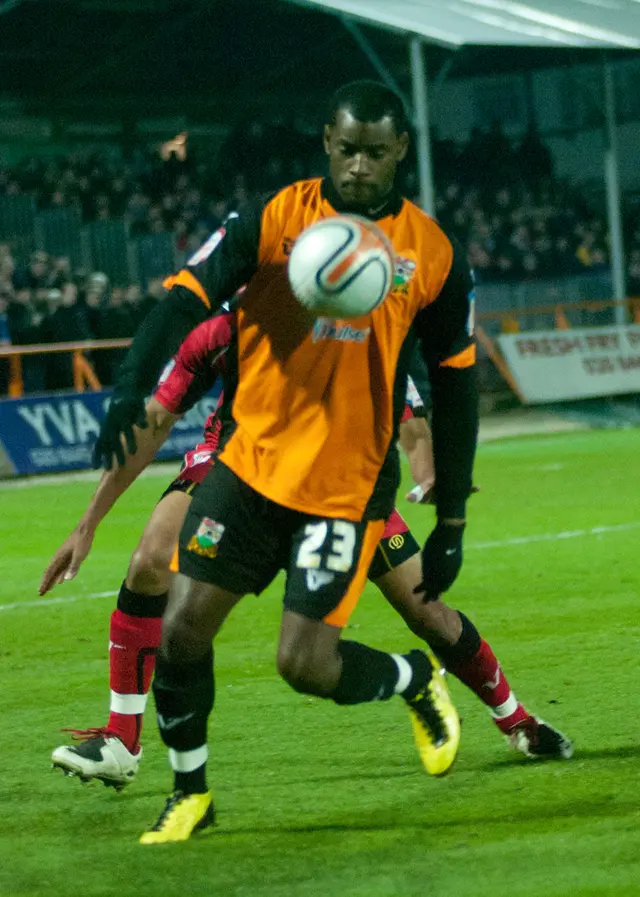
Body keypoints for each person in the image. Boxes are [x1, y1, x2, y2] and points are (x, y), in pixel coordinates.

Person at [93, 79, 479, 844]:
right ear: (326, 144)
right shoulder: (276, 219)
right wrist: (131, 380)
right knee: (181, 632)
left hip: (345, 488)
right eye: (347, 150)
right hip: (250, 466)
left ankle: (411, 677)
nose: (360, 166)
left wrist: (454, 515)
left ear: (401, 149)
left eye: (376, 151)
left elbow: (458, 387)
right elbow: (185, 296)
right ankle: (190, 792)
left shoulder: (433, 256)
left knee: (304, 665)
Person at [43, 315, 571, 793]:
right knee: (149, 562)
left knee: (427, 611)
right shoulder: (223, 332)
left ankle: (517, 720)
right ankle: (120, 740)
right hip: (236, 469)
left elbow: (410, 423)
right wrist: (86, 524)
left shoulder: (363, 331)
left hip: (338, 479)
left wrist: (429, 472)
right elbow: (152, 423)